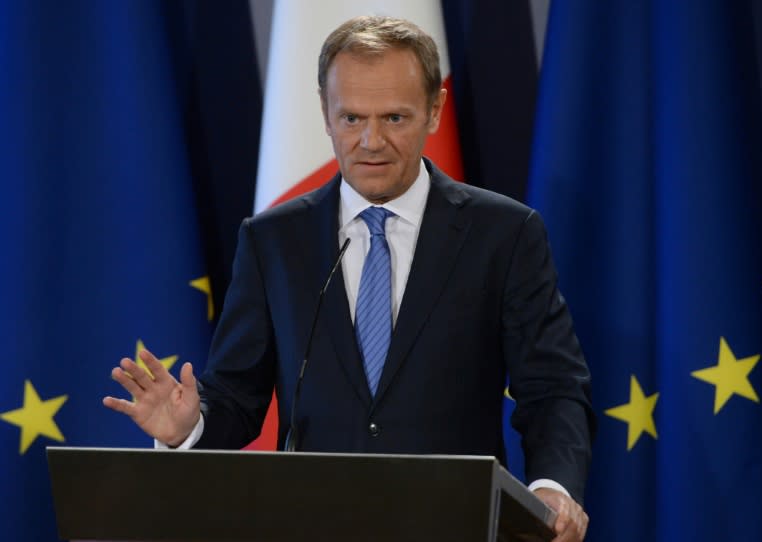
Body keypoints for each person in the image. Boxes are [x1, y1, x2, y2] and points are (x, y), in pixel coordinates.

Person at [104, 15, 594, 541]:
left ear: (435, 110)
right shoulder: (274, 240)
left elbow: (552, 388)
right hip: (310, 525)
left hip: (454, 523)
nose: (371, 141)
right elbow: (237, 396)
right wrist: (188, 428)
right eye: (353, 118)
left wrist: (553, 486)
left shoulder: (504, 234)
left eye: (395, 118)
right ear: (325, 114)